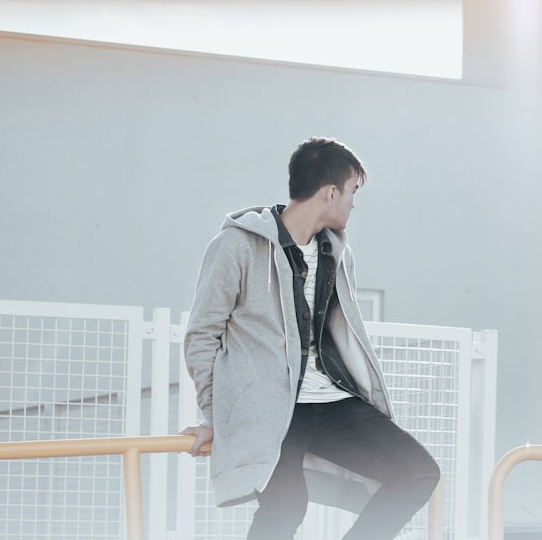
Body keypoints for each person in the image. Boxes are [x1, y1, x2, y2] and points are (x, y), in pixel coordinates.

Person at [181, 136, 440, 540]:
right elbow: (202, 335)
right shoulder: (236, 245)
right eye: (353, 191)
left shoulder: (336, 253)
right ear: (331, 192)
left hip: (334, 404)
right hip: (273, 412)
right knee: (287, 505)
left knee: (419, 472)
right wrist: (216, 417)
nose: (354, 203)